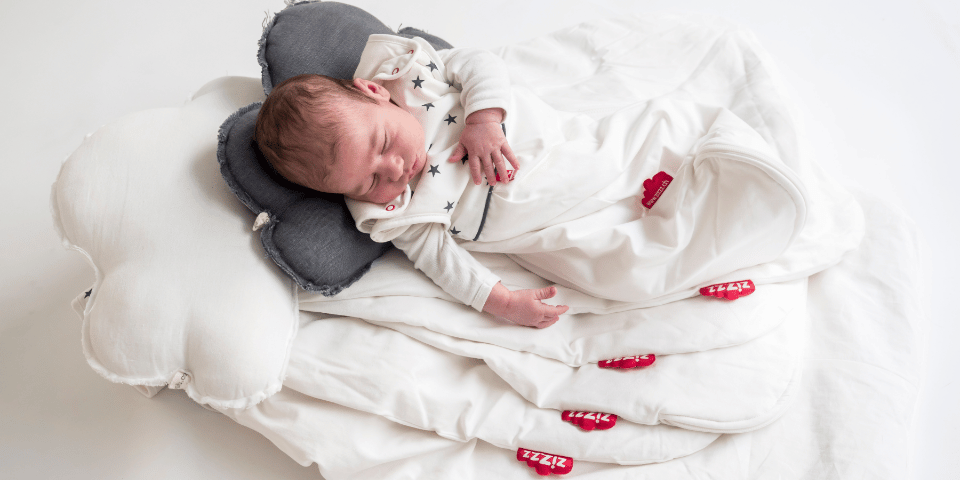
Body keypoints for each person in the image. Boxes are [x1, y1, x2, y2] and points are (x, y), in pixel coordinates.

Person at [255, 34, 803, 329]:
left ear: (373, 93)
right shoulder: (395, 213)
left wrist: (483, 118)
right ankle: (711, 214)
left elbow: (479, 64)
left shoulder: (413, 77)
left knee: (646, 137)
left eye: (381, 146)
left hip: (552, 147)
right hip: (539, 222)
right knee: (614, 267)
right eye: (369, 180)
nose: (394, 170)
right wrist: (499, 302)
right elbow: (442, 263)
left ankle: (722, 162)